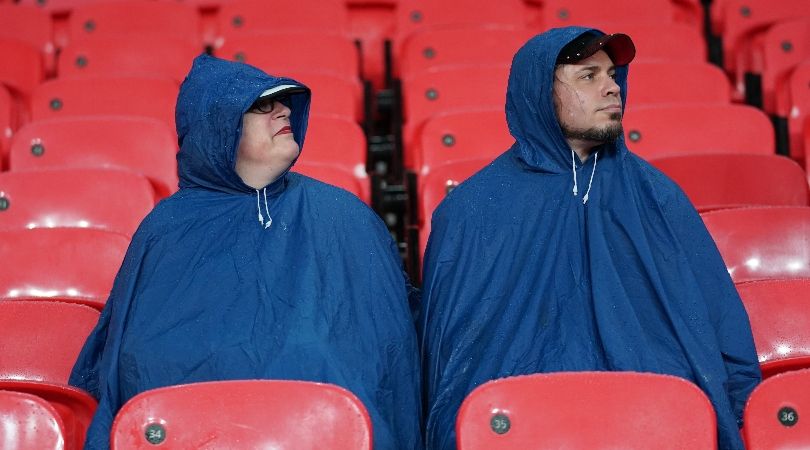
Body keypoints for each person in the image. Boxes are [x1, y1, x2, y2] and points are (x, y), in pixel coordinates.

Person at [419, 27, 761, 450]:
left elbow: (718, 324)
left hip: (652, 424)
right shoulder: (471, 210)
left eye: (613, 75)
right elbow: (450, 364)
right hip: (516, 428)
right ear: (541, 91)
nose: (610, 88)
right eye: (588, 76)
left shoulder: (658, 197)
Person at [70, 54, 422, 450]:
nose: (284, 110)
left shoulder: (345, 216)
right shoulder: (164, 230)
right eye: (260, 105)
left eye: (282, 101)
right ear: (218, 128)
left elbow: (389, 360)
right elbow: (134, 368)